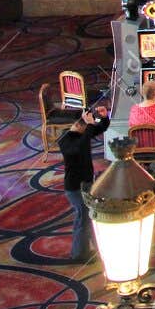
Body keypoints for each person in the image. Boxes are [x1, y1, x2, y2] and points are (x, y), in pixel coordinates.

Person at [57, 105, 111, 263]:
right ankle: (78, 254)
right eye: (85, 126)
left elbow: (101, 127)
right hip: (74, 187)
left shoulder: (83, 133)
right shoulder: (65, 139)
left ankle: (92, 249)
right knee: (83, 218)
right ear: (79, 125)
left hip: (87, 183)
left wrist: (103, 116)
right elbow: (77, 148)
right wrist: (88, 128)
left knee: (89, 217)